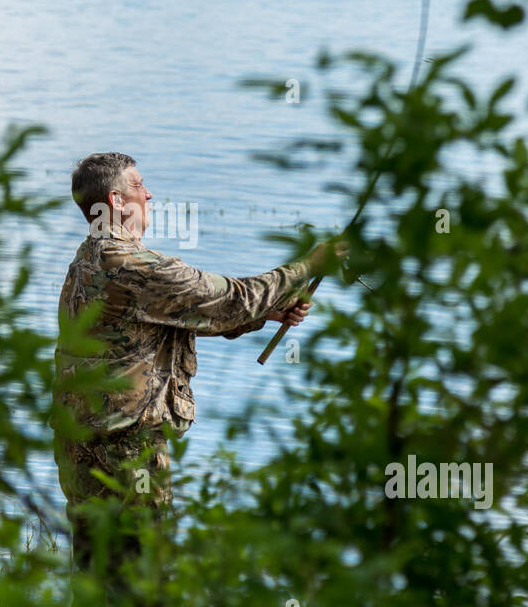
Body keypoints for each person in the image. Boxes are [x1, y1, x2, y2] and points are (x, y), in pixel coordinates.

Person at [53, 152, 344, 579]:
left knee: (96, 572)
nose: (149, 194)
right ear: (116, 200)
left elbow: (162, 321)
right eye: (139, 186)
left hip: (80, 445)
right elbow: (231, 298)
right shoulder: (134, 266)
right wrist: (308, 267)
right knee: (142, 574)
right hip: (126, 450)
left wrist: (266, 316)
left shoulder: (87, 259)